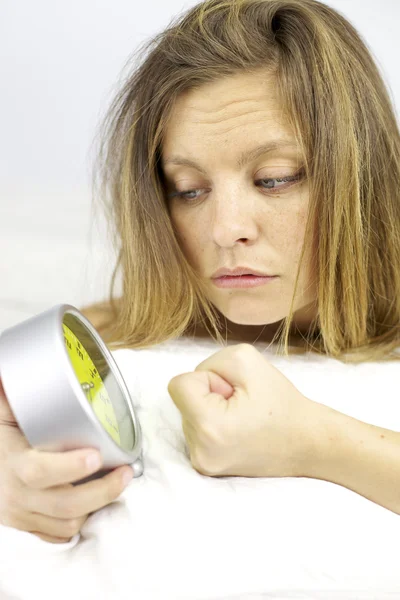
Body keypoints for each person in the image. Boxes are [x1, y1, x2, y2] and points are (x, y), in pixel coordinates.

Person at [1, 0, 399, 545]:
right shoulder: (121, 325)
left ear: (362, 176)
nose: (224, 229)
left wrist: (313, 442)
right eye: (188, 190)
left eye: (275, 179)